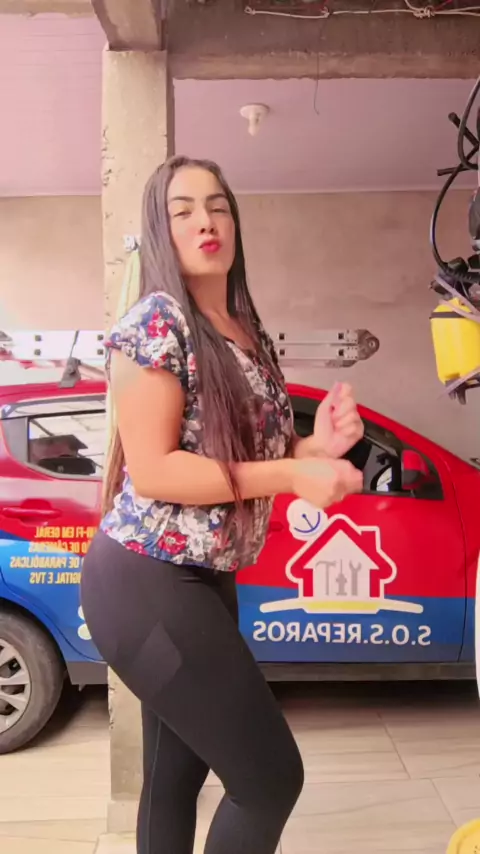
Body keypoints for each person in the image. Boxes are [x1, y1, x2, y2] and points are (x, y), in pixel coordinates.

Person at [80, 155, 364, 854]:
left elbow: (253, 449)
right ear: (160, 229)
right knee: (269, 778)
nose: (205, 221)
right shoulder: (157, 321)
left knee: (176, 773)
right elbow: (156, 471)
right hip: (146, 580)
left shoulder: (239, 326)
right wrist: (292, 476)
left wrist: (315, 446)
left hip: (202, 577)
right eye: (183, 211)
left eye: (218, 206)